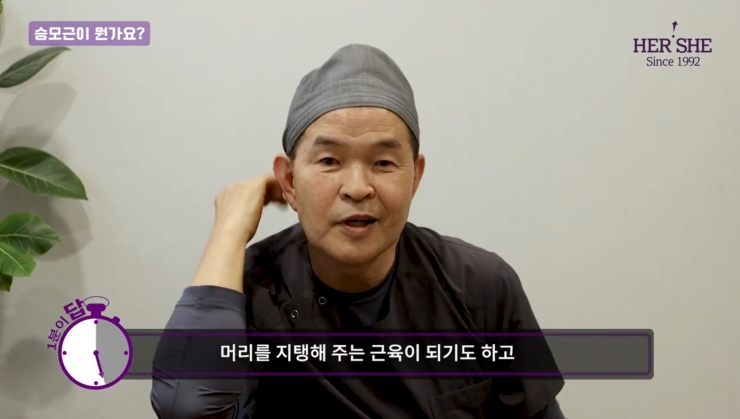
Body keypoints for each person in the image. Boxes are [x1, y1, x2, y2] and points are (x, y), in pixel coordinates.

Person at [150, 43, 566, 419]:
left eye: (383, 163)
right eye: (329, 161)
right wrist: (229, 229)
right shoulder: (247, 293)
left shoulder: (479, 287)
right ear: (289, 180)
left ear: (415, 176)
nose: (357, 187)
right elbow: (188, 410)